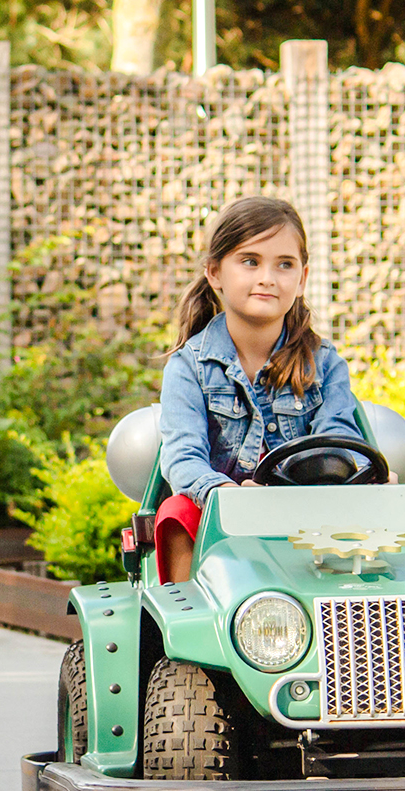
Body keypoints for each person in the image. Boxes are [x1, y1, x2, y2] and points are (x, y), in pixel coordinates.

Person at [155, 196, 370, 584]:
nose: (268, 277)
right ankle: (188, 626)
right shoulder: (188, 367)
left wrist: (353, 473)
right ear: (215, 273)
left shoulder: (324, 363)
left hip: (307, 516)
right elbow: (182, 458)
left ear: (302, 279)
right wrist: (229, 495)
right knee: (176, 509)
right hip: (219, 526)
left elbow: (337, 438)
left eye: (284, 265)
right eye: (250, 261)